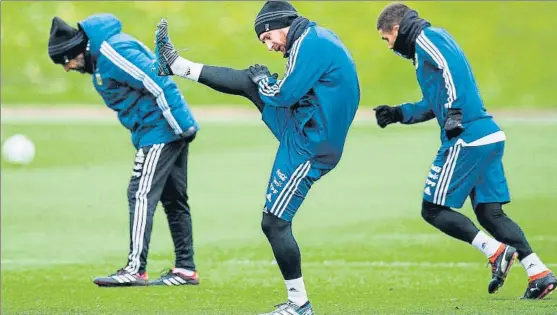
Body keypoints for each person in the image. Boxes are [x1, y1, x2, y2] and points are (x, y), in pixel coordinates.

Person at [153, 1, 360, 313]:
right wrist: (261, 82)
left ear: (277, 25)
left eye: (267, 39)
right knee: (251, 83)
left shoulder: (311, 45)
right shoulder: (314, 37)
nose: (270, 46)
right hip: (307, 127)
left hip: (309, 145)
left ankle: (298, 304)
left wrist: (265, 80)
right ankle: (176, 65)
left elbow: (282, 95)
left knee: (274, 223)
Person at [373, 3, 557, 299]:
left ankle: (496, 252)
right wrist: (398, 113)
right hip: (488, 135)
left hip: (467, 137)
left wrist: (456, 112)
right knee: (489, 213)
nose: (389, 45)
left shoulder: (426, 39)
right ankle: (538, 272)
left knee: (432, 209)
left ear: (396, 29)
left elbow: (451, 70)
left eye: (386, 38)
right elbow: (433, 102)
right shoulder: (426, 48)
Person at [48, 13, 201, 287]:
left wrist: (183, 125)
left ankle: (135, 270)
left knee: (140, 193)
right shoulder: (100, 58)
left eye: (65, 61)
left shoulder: (112, 52)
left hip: (162, 131)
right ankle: (185, 270)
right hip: (160, 130)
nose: (67, 68)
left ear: (76, 51)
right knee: (173, 198)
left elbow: (157, 80)